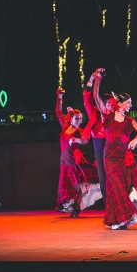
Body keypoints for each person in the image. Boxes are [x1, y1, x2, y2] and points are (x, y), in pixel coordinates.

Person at [93, 68, 137, 230]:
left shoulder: (130, 120)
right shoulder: (107, 116)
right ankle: (123, 217)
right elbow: (96, 97)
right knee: (115, 184)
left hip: (124, 156)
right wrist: (98, 79)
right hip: (110, 157)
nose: (130, 105)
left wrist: (135, 140)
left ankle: (116, 219)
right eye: (128, 102)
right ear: (120, 103)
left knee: (123, 186)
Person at [55, 88, 102, 217]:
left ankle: (76, 209)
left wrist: (77, 139)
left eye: (81, 118)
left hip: (74, 161)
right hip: (64, 161)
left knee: (77, 186)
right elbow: (58, 112)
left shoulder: (80, 131)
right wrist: (60, 97)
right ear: (70, 118)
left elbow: (86, 140)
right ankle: (69, 206)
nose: (79, 120)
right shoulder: (65, 127)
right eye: (77, 118)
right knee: (67, 187)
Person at [83, 73, 114, 204]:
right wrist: (93, 78)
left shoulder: (115, 115)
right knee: (103, 175)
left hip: (113, 144)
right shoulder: (95, 113)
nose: (111, 106)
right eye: (109, 104)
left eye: (113, 104)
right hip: (99, 143)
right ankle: (108, 202)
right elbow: (88, 96)